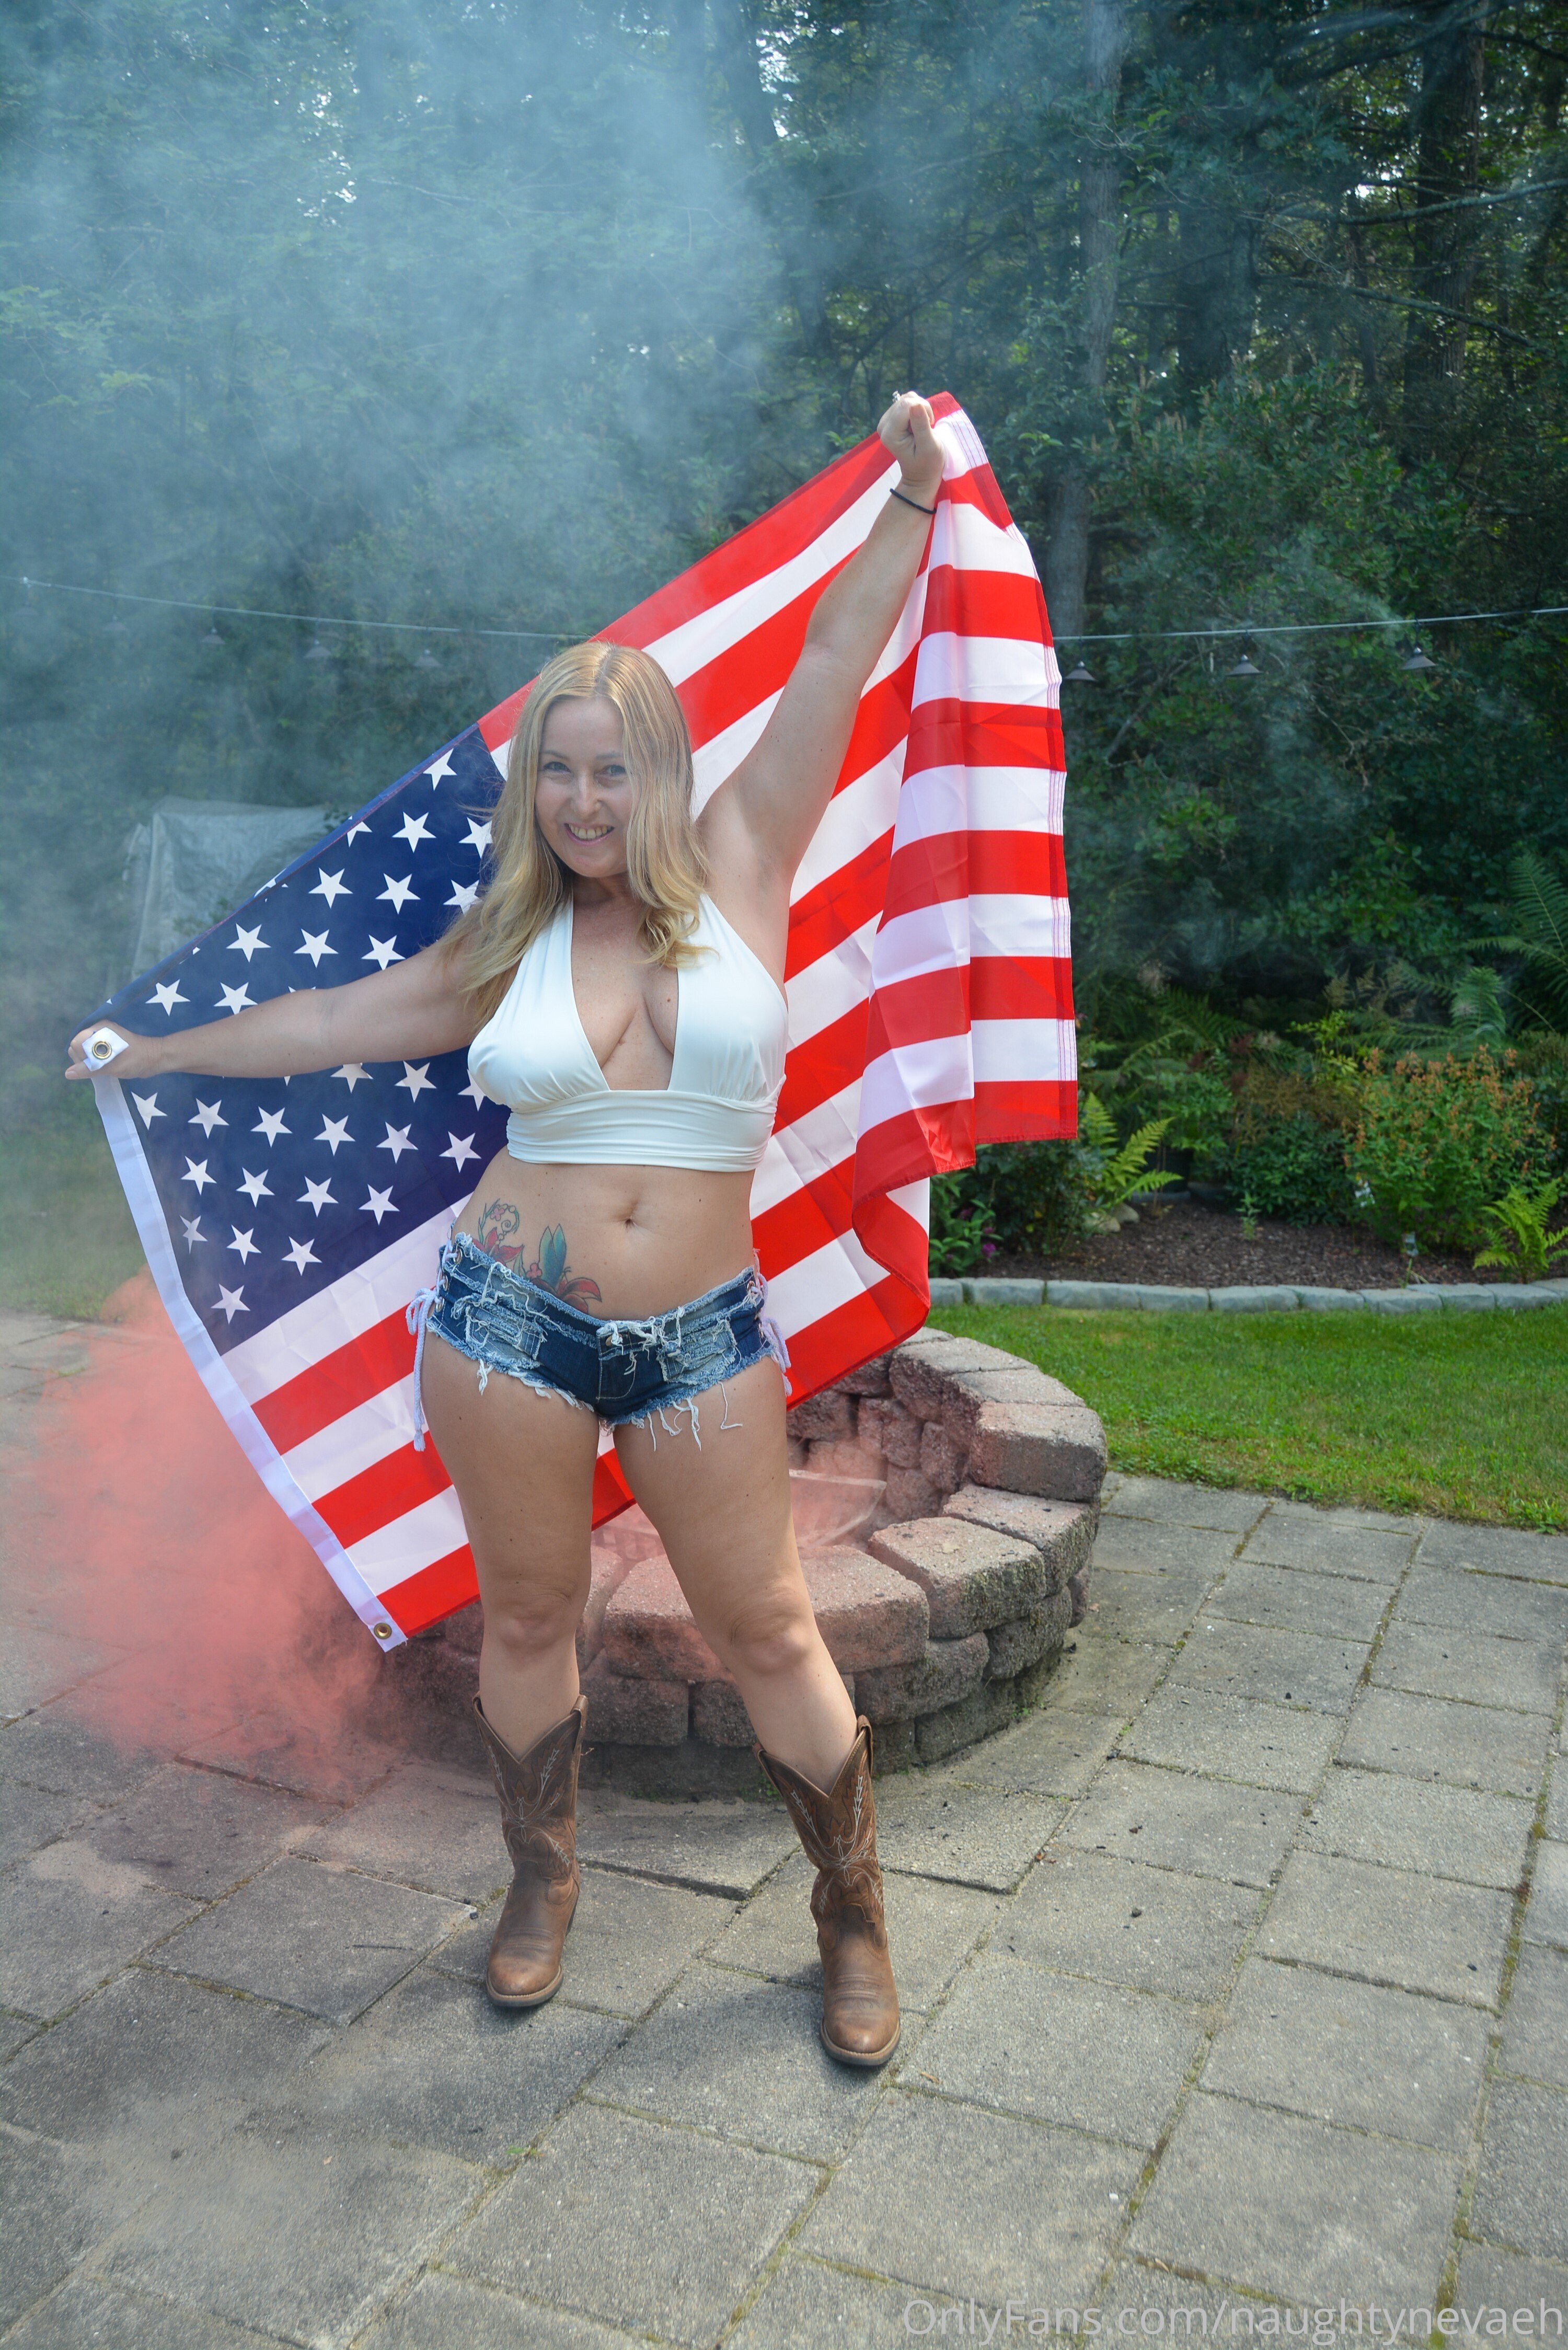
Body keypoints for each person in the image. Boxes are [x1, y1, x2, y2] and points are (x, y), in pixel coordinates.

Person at [68, 392, 946, 2069]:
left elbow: (835, 656)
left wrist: (908, 497)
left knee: (768, 1627)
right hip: (504, 1327)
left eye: (613, 767)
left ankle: (853, 1919)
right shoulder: (506, 941)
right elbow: (331, 1023)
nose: (585, 799)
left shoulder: (748, 854)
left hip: (700, 1337)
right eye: (559, 769)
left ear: (662, 770)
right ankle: (539, 1883)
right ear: (533, 785)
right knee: (529, 1621)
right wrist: (158, 1049)